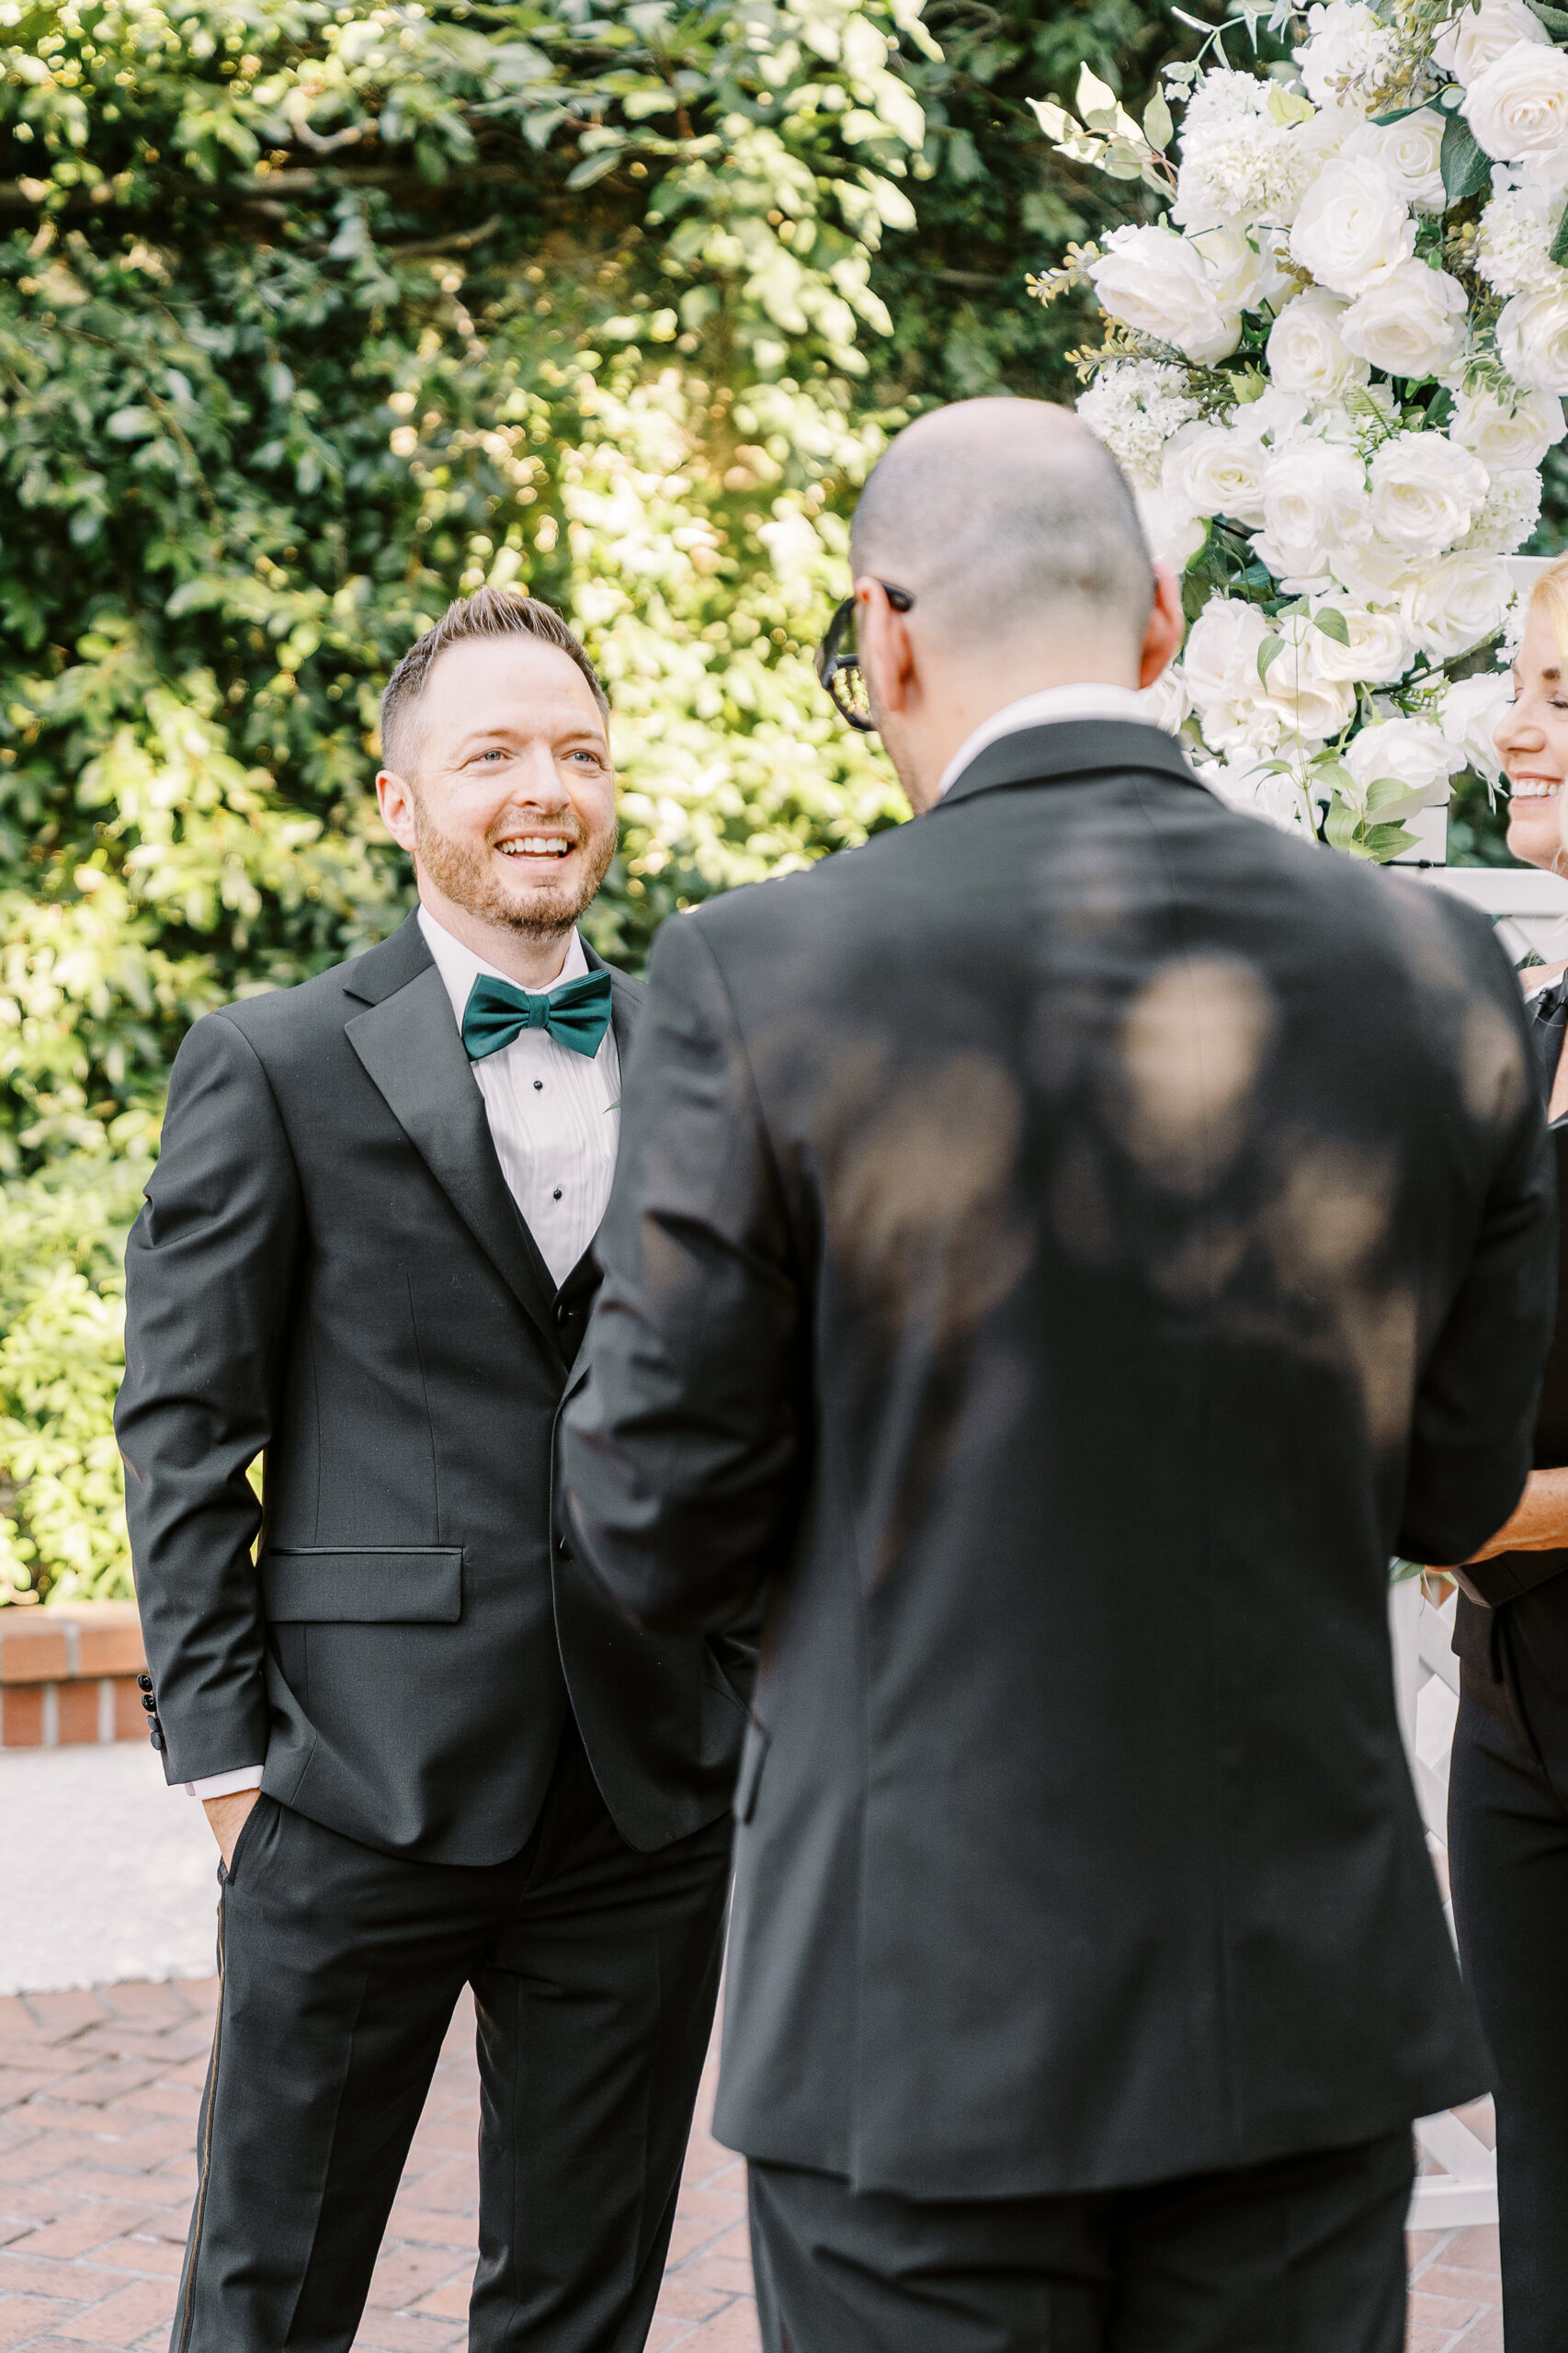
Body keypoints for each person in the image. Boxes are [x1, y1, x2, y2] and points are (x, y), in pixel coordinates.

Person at [561, 397, 1554, 2353]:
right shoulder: (1432, 970)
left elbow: (649, 1523)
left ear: (885, 638)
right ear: (1163, 622)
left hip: (913, 2017)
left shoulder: (761, 977)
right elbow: (1453, 1491)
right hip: (1293, 2015)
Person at [115, 588, 752, 2353]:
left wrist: (739, 1688)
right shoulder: (273, 1060)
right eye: (493, 756)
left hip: (642, 1798)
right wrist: (231, 1771)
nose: (545, 789)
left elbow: (766, 1398)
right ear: (400, 801)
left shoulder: (711, 1056)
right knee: (269, 2295)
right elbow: (185, 1426)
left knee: (579, 2305)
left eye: (580, 753)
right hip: (349, 1784)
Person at [1446, 555, 1568, 2353]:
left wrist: (1503, 1507)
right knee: (1542, 2201)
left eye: (1560, 695)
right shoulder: (1526, 1025)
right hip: (1513, 1714)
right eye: (1521, 685)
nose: (1515, 729)